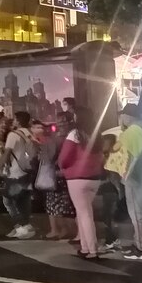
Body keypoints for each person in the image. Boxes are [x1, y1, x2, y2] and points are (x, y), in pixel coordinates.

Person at [59, 107, 105, 259]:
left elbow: (64, 157)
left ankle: (92, 250)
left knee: (84, 214)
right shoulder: (96, 134)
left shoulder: (74, 134)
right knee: (84, 212)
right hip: (94, 177)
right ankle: (85, 248)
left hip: (77, 178)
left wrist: (62, 167)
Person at [115, 103, 142, 260]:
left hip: (133, 176)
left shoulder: (133, 131)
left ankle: (141, 248)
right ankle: (138, 242)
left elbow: (127, 155)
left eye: (122, 115)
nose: (120, 118)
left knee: (136, 213)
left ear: (127, 116)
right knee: (138, 213)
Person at [0, 111, 37, 240]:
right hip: (27, 170)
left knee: (8, 200)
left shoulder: (13, 135)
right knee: (24, 200)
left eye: (14, 119)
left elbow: (7, 153)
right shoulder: (30, 133)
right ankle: (25, 225)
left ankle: (19, 226)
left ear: (18, 121)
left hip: (14, 172)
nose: (12, 121)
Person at [42, 113, 77, 240]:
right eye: (59, 121)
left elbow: (51, 156)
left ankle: (59, 230)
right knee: (64, 203)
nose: (61, 124)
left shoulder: (62, 138)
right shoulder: (72, 136)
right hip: (65, 173)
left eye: (63, 121)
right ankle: (63, 230)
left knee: (57, 203)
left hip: (59, 173)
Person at [98, 134, 123, 251]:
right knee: (108, 216)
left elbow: (112, 175)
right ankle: (111, 240)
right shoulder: (112, 155)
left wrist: (119, 191)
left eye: (104, 142)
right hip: (110, 189)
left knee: (108, 216)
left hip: (111, 189)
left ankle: (111, 240)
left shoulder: (112, 156)